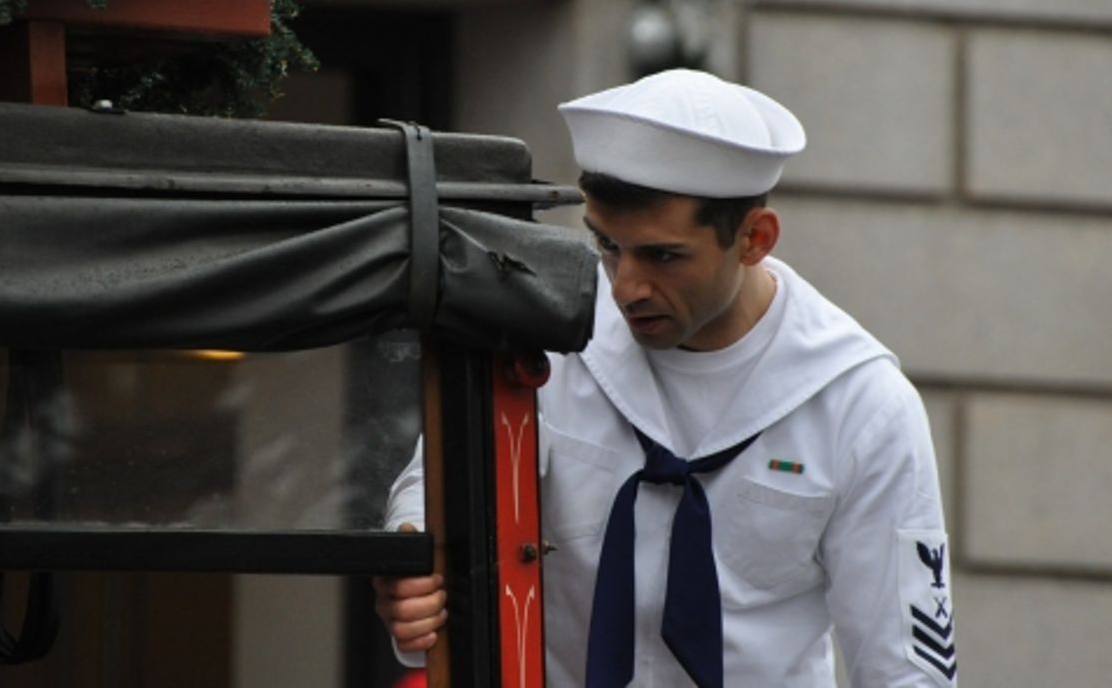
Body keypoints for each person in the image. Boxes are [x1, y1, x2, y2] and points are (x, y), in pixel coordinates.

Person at [375, 69, 956, 687]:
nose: (626, 287)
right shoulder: (547, 338)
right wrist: (413, 555)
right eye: (607, 246)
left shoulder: (860, 403)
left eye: (663, 256)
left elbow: (905, 668)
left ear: (754, 238)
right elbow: (440, 478)